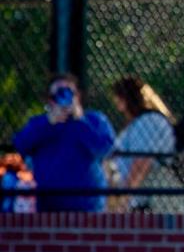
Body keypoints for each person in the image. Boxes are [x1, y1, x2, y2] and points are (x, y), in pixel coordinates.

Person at [13, 73, 115, 212]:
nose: (63, 99)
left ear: (77, 96)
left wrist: (80, 121)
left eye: (68, 93)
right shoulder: (39, 123)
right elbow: (20, 145)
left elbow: (104, 148)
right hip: (48, 205)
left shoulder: (94, 120)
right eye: (57, 95)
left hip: (88, 207)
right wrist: (49, 123)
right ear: (49, 100)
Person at [109, 76, 184, 212]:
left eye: (118, 97)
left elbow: (142, 162)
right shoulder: (136, 124)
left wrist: (124, 200)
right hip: (139, 198)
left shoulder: (149, 121)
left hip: (151, 199)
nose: (116, 103)